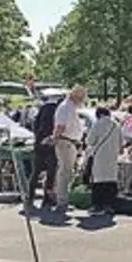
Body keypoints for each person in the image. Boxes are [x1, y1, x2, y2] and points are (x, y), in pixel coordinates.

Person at [49, 85, 87, 217]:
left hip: (68, 141)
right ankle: (61, 201)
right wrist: (55, 138)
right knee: (65, 172)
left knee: (66, 172)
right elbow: (60, 126)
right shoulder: (66, 107)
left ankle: (62, 199)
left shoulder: (69, 107)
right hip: (65, 141)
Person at [85, 107, 122, 216]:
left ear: (98, 115)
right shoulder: (116, 125)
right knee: (111, 182)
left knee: (99, 182)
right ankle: (110, 205)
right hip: (112, 158)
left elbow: (90, 141)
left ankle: (98, 206)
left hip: (99, 157)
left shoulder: (97, 124)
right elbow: (121, 143)